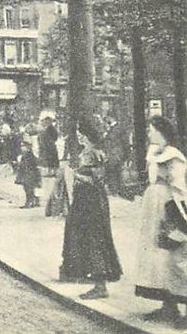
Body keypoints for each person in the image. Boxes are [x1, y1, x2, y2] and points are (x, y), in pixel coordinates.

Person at [59, 125, 122, 299]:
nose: (80, 138)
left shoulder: (91, 154)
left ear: (89, 137)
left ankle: (100, 284)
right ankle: (95, 281)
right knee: (90, 238)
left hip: (90, 202)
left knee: (93, 238)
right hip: (88, 200)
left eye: (82, 135)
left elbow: (95, 178)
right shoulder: (92, 152)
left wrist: (73, 174)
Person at [135, 115, 187, 323]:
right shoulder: (155, 152)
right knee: (156, 257)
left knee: (173, 257)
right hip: (153, 207)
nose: (148, 133)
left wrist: (179, 216)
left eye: (150, 129)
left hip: (168, 205)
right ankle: (168, 306)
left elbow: (179, 187)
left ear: (160, 131)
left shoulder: (174, 156)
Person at [16, 141, 42, 208]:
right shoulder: (25, 155)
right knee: (28, 189)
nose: (22, 148)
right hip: (27, 174)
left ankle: (29, 203)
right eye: (21, 146)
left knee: (29, 189)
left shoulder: (29, 155)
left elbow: (31, 165)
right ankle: (34, 202)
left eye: (23, 146)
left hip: (29, 175)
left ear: (28, 148)